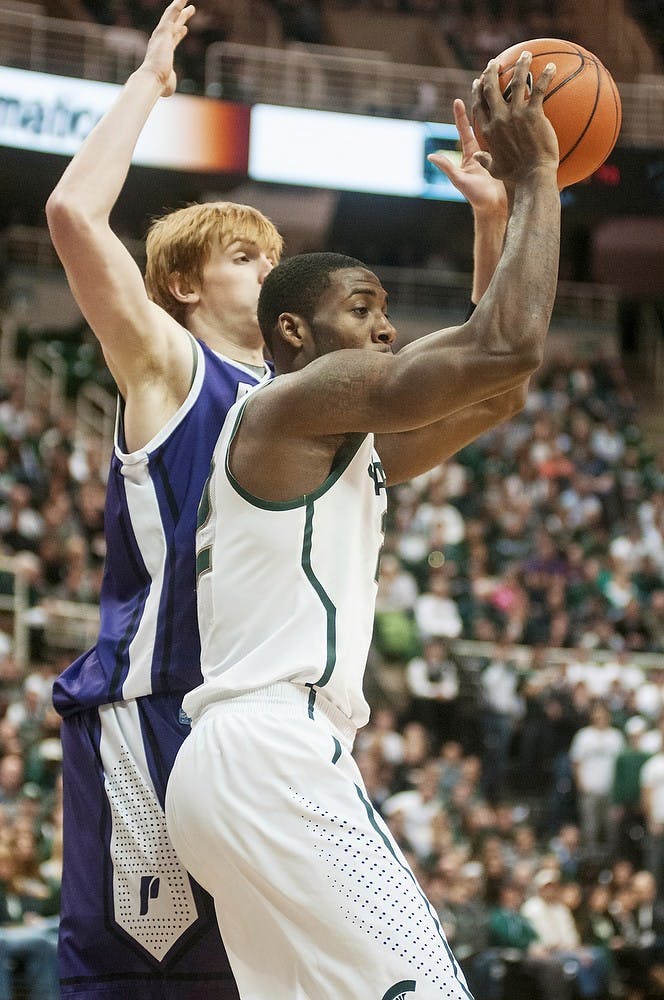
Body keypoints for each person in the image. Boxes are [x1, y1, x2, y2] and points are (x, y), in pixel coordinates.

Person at [44, 2, 511, 996]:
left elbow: (483, 368)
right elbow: (75, 218)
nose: (267, 266)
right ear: (178, 285)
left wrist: (490, 219)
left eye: (271, 257)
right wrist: (151, 86)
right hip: (158, 705)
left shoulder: (310, 401)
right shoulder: (172, 369)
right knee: (147, 987)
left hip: (263, 723)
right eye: (242, 256)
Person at [165, 50, 562, 998]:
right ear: (294, 332)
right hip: (273, 756)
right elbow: (508, 342)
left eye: (386, 310)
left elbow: (499, 389)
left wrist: (495, 219)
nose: (384, 328)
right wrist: (539, 175)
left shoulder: (330, 443)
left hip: (233, 768)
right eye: (363, 307)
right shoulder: (302, 395)